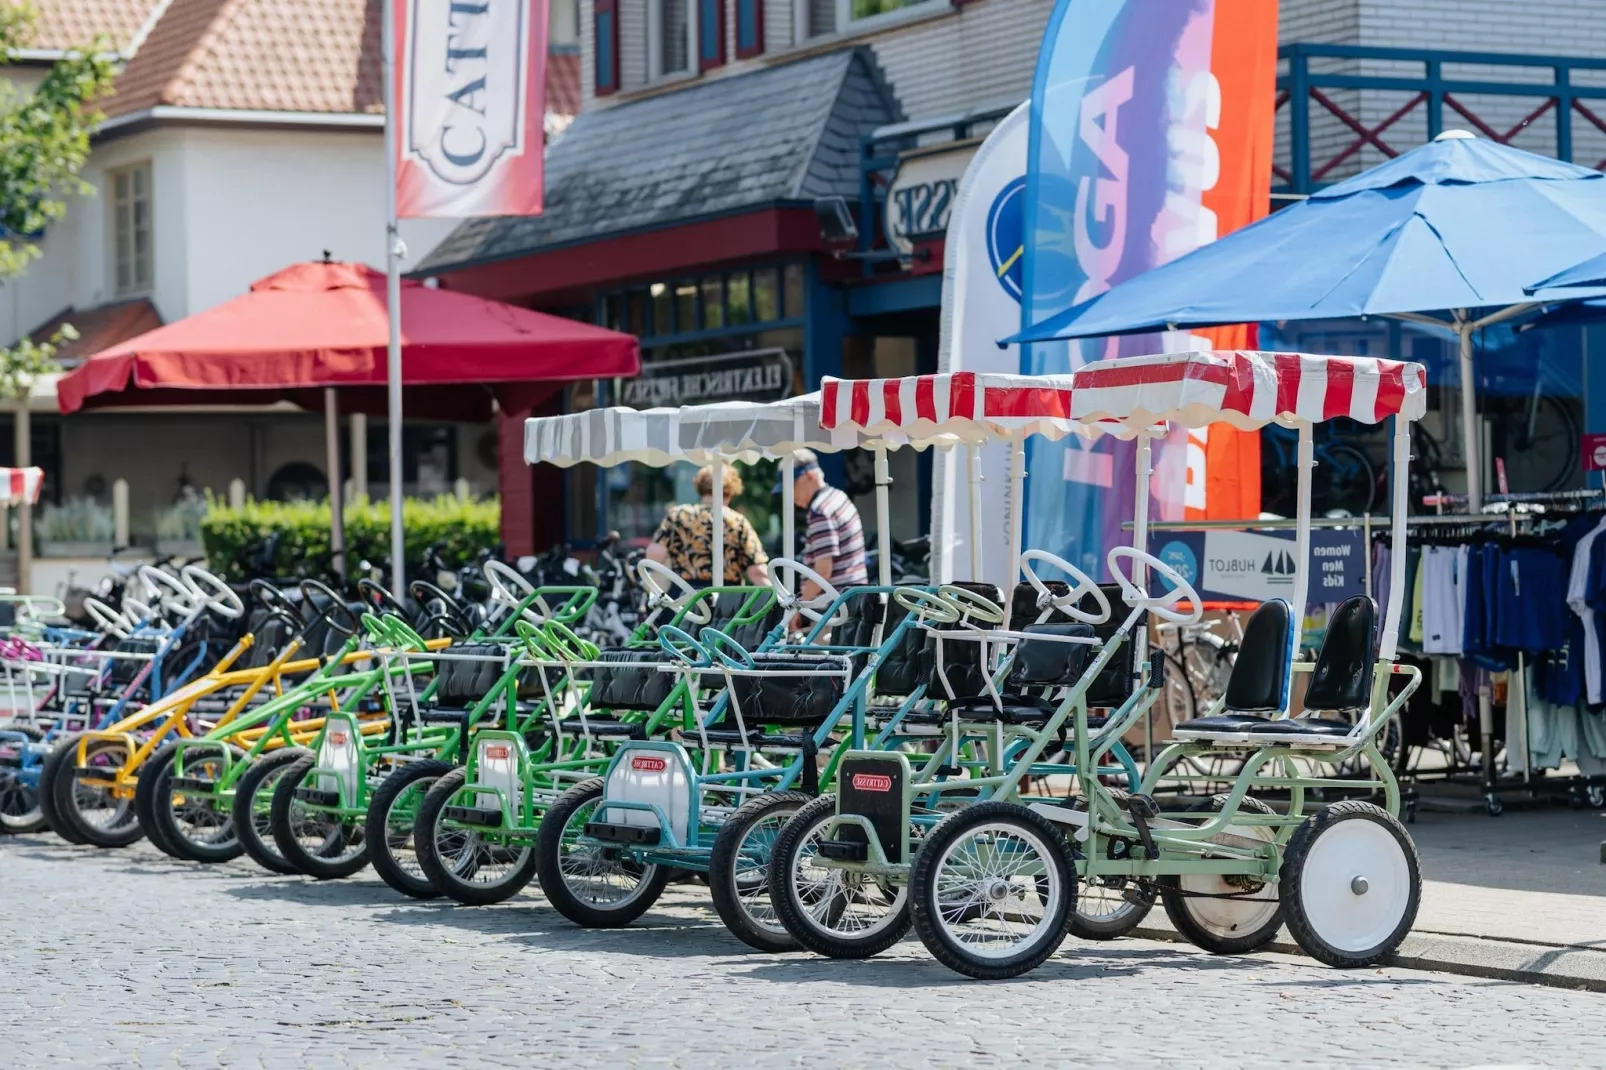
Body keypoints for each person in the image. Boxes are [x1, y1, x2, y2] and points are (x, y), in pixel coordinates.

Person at [647, 464, 769, 586]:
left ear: (699, 487)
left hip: (686, 596)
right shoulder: (737, 521)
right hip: (728, 597)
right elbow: (757, 571)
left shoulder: (678, 516)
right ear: (732, 489)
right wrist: (776, 599)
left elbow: (655, 555)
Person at [784, 449, 868, 608]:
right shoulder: (838, 496)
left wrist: (798, 606)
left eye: (791, 485)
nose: (790, 495)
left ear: (809, 476)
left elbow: (823, 572)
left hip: (834, 607)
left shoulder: (820, 511)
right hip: (853, 599)